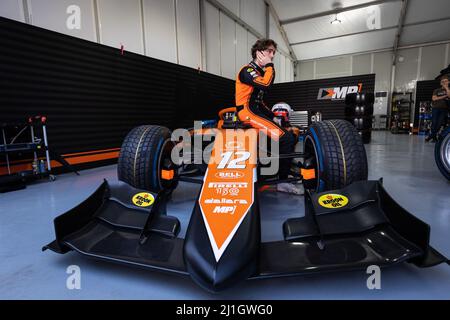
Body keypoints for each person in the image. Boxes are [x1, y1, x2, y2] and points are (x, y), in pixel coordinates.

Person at [235, 39, 302, 195]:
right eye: (269, 51)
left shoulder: (259, 72)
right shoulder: (247, 70)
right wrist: (270, 66)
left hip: (254, 110)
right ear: (259, 53)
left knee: (290, 136)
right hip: (246, 112)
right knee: (284, 138)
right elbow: (266, 85)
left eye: (273, 52)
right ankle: (282, 182)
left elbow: (258, 101)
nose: (272, 55)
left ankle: (281, 170)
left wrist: (273, 115)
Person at [426, 74, 450, 142]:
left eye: (446, 81)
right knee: (434, 123)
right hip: (435, 108)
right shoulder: (436, 90)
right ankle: (433, 137)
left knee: (439, 124)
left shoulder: (448, 90)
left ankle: (431, 136)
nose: (444, 82)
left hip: (444, 109)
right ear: (441, 83)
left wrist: (446, 88)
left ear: (448, 82)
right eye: (443, 81)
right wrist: (444, 96)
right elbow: (434, 98)